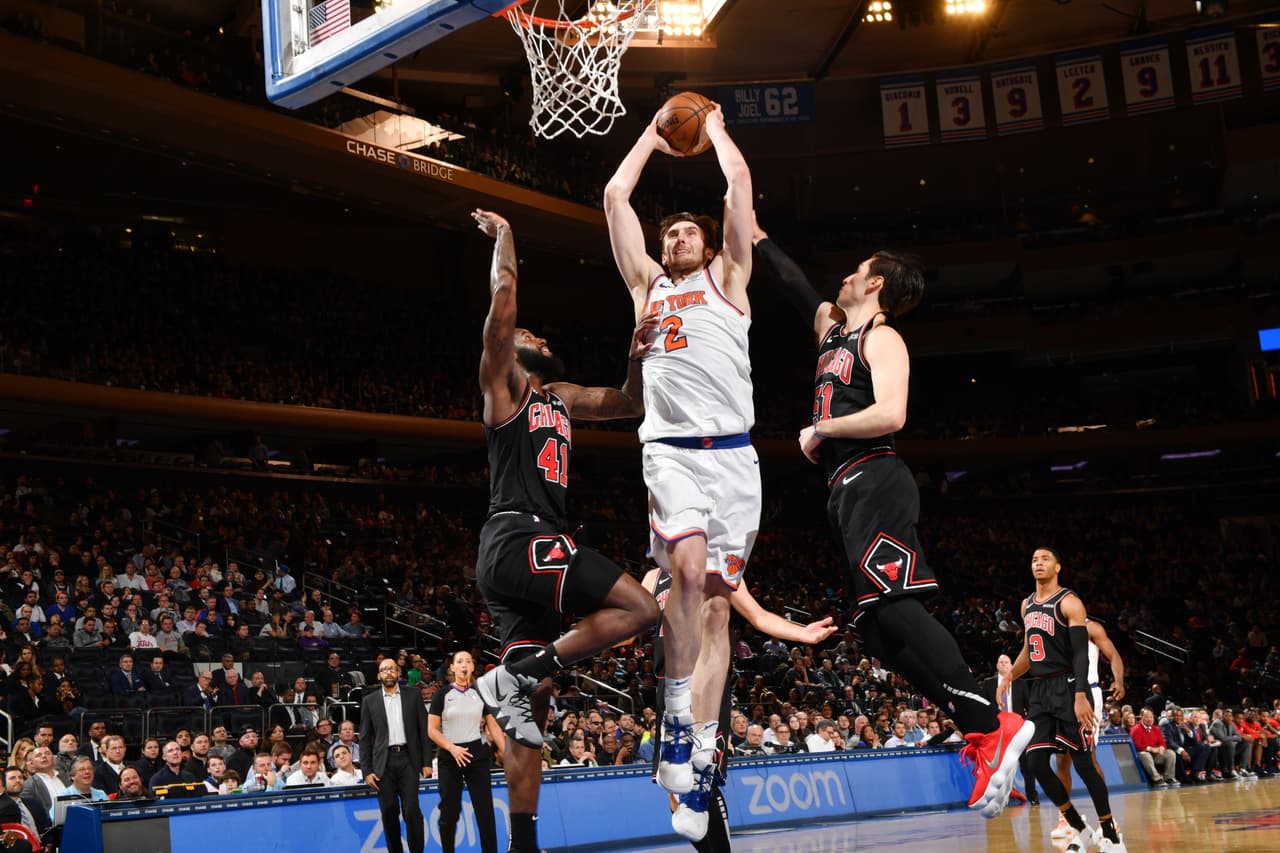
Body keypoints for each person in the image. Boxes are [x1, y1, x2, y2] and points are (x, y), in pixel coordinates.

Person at [751, 218, 1031, 819]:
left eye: (856, 269)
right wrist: (755, 235)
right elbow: (795, 283)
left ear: (875, 283)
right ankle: (983, 727)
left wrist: (822, 428)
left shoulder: (882, 339)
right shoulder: (833, 333)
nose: (845, 275)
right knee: (876, 631)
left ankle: (990, 721)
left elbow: (892, 413)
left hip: (876, 476)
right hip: (845, 489)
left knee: (895, 605)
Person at [467, 208, 661, 853]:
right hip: (521, 536)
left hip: (521, 552)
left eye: (541, 337)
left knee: (534, 710)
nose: (536, 336)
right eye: (528, 333)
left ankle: (522, 843)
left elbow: (628, 403)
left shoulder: (562, 396)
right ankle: (520, 671)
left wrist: (635, 360)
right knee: (640, 606)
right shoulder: (505, 387)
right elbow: (502, 305)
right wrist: (505, 239)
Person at [604, 102, 760, 842]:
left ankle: (697, 750)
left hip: (735, 457)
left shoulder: (731, 276)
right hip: (668, 450)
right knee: (688, 572)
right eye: (669, 232)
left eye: (686, 229)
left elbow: (739, 186)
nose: (675, 237)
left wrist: (718, 130)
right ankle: (673, 716)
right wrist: (654, 135)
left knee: (718, 609)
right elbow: (613, 198)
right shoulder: (647, 289)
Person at [642, 565, 835, 848]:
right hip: (667, 686)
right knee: (673, 790)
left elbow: (759, 616)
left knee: (700, 778)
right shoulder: (654, 577)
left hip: (704, 683)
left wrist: (803, 633)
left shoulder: (719, 566)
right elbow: (627, 626)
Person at [999, 548, 1127, 853]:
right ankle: (1078, 828)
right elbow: (1030, 652)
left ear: (1058, 566)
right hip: (1041, 690)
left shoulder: (1070, 602)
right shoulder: (1027, 605)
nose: (1038, 563)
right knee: (1037, 762)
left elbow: (1081, 653)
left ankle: (1109, 832)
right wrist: (1009, 677)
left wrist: (1081, 695)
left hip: (1070, 687)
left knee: (1084, 762)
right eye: (1033, 560)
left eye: (1044, 559)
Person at [1045, 619, 1126, 839]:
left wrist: (1118, 680)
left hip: (1088, 694)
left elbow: (1115, 656)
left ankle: (1108, 820)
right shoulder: (1052, 627)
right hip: (1060, 695)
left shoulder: (1092, 628)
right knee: (1062, 760)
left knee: (1088, 758)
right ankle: (1066, 819)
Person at [428, 651, 505, 853]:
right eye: (459, 662)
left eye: (468, 661)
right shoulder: (442, 694)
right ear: (452, 668)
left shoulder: (481, 693)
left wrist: (509, 754)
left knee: (485, 812)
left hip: (476, 754)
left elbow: (494, 727)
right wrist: (452, 748)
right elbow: (431, 730)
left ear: (472, 667)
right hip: (449, 755)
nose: (464, 665)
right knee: (449, 814)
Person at [360, 660, 430, 853]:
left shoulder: (413, 695)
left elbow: (423, 730)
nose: (388, 673)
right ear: (378, 675)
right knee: (389, 812)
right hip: (383, 764)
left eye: (392, 669)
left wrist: (426, 762)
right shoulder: (370, 700)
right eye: (384, 670)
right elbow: (364, 738)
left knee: (412, 811)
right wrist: (366, 771)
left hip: (409, 759)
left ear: (399, 673)